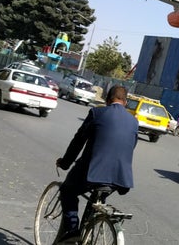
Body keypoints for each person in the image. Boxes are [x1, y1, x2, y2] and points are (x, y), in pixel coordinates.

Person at [54, 85, 138, 242]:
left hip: (93, 172)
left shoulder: (97, 113)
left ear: (107, 100)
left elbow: (78, 141)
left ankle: (72, 231)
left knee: (67, 191)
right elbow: (131, 146)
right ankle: (91, 228)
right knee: (98, 200)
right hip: (121, 177)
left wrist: (65, 163)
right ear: (125, 102)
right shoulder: (134, 122)